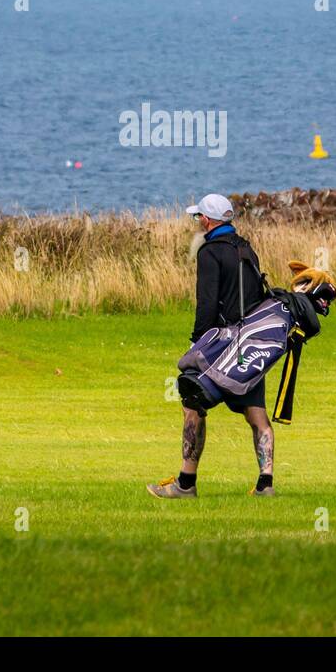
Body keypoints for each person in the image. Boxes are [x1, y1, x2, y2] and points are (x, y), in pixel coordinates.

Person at [147, 193, 275, 499]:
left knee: (192, 407)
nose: (196, 223)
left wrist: (196, 342)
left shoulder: (209, 252)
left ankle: (185, 484)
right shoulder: (246, 249)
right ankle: (265, 484)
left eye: (197, 218)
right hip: (249, 344)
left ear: (207, 220)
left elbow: (206, 303)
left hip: (219, 345)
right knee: (256, 414)